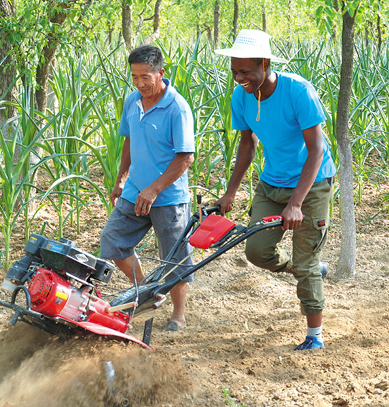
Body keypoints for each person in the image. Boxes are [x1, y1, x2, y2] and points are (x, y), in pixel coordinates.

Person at [214, 30, 336, 350]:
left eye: (246, 71)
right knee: (256, 251)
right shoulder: (241, 96)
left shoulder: (298, 92)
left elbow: (317, 150)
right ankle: (305, 266)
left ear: (265, 64)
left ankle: (314, 337)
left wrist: (296, 203)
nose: (239, 78)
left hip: (311, 185)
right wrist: (230, 193)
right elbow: (246, 144)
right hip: (271, 184)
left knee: (306, 262)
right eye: (235, 71)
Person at [100, 45, 195, 332]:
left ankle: (179, 315)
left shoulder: (177, 108)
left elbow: (185, 157)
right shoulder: (133, 101)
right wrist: (120, 178)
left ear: (160, 73)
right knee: (113, 242)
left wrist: (154, 190)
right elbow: (128, 140)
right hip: (135, 190)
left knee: (175, 258)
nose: (140, 83)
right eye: (135, 77)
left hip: (168, 197)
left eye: (146, 77)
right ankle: (147, 291)